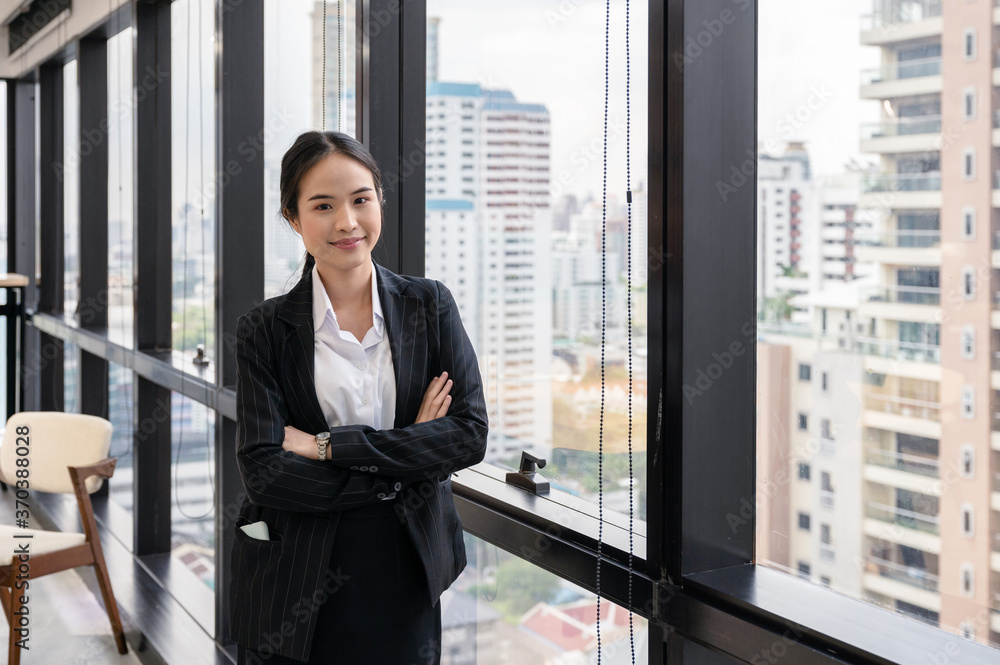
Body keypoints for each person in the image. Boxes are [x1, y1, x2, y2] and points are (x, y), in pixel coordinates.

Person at [230, 130, 488, 664]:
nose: (347, 222)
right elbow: (264, 470)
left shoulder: (429, 305)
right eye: (323, 205)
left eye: (360, 199)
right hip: (295, 576)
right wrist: (407, 456)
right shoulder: (264, 329)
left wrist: (326, 448)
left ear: (379, 203)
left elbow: (468, 434)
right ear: (293, 218)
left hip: (405, 565)